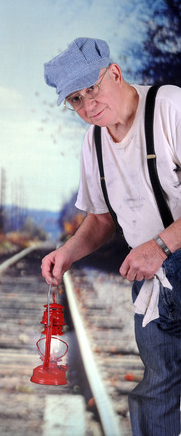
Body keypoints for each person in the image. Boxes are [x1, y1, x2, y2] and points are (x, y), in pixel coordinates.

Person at [41, 37, 181, 436]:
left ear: (115, 74)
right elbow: (101, 220)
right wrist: (66, 254)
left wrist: (160, 246)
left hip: (163, 255)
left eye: (92, 90)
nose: (88, 106)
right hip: (154, 282)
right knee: (157, 391)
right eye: (75, 101)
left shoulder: (169, 106)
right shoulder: (94, 142)